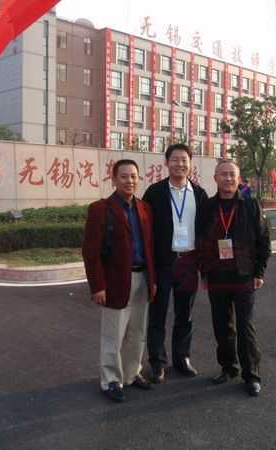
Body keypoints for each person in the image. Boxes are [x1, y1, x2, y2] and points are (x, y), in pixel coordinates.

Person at [82, 159, 157, 403]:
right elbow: (91, 252)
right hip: (115, 282)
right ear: (113, 179)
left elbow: (149, 247)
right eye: (124, 176)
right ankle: (111, 380)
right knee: (113, 335)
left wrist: (153, 280)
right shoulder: (100, 209)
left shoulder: (144, 208)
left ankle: (132, 373)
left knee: (138, 332)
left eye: (134, 176)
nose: (130, 181)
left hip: (143, 277)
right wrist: (97, 286)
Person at [198, 160, 271, 397]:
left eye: (232, 174)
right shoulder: (207, 207)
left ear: (238, 179)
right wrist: (204, 272)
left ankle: (252, 374)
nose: (228, 179)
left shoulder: (250, 205)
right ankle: (228, 367)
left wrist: (259, 272)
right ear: (215, 178)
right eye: (223, 174)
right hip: (217, 275)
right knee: (222, 326)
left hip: (243, 275)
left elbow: (264, 240)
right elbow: (201, 241)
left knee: (245, 325)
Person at [142, 143, 208, 384]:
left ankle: (182, 358)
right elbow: (146, 230)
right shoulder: (155, 192)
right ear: (167, 163)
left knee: (185, 315)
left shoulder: (199, 194)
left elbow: (206, 231)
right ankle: (157, 362)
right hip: (163, 263)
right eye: (175, 159)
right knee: (157, 314)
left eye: (184, 160)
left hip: (188, 262)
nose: (180, 164)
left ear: (190, 164)